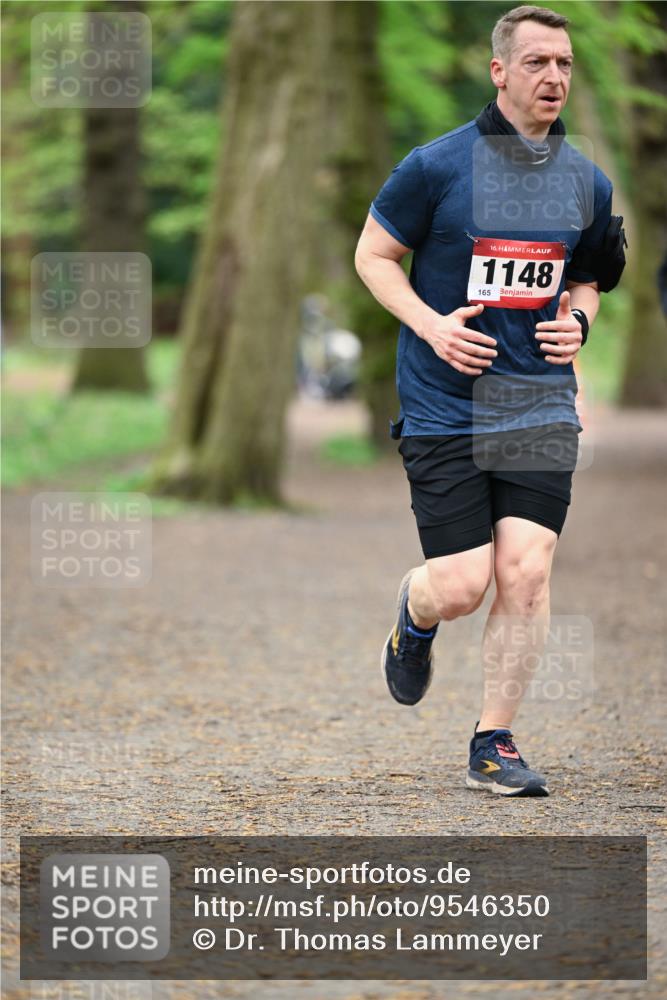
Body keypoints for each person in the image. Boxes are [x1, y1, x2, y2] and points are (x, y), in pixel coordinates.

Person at [355, 5, 623, 796]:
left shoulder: (586, 181)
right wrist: (433, 327)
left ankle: (492, 741)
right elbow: (373, 257)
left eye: (565, 64)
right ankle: (415, 609)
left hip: (536, 401)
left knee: (528, 572)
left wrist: (576, 320)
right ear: (499, 71)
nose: (554, 77)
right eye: (537, 62)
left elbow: (590, 278)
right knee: (464, 585)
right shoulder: (435, 167)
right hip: (445, 401)